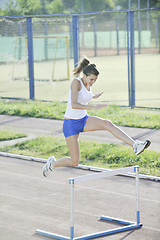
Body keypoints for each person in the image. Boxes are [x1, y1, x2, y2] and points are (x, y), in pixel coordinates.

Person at [42, 56, 151, 177]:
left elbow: (84, 95)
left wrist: (93, 96)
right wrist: (94, 107)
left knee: (107, 124)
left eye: (95, 80)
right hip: (70, 124)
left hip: (83, 120)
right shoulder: (76, 83)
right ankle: (52, 164)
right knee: (75, 161)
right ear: (85, 75)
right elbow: (74, 104)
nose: (93, 82)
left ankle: (135, 145)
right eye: (92, 79)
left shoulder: (88, 84)